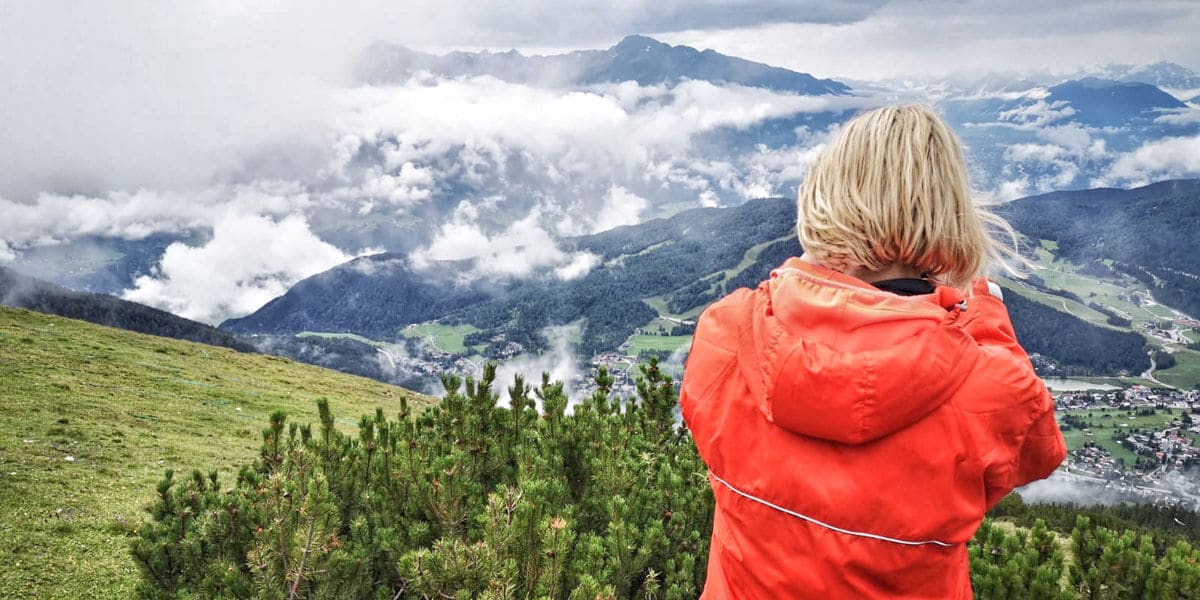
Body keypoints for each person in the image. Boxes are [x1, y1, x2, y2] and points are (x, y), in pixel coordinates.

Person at [679, 104, 1067, 599]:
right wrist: (986, 315)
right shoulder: (990, 387)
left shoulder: (728, 332)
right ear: (950, 212)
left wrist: (800, 281)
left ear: (824, 197)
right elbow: (1036, 452)